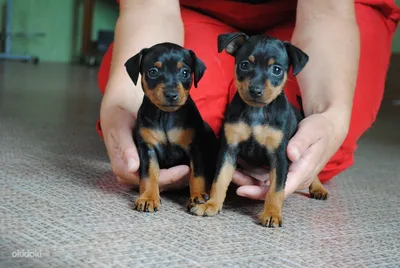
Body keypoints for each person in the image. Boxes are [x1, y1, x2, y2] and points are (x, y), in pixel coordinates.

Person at [96, 0, 400, 200]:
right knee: (201, 126)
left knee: (316, 149)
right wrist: (122, 105)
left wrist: (331, 115)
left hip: (318, 12)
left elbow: (328, 12)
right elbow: (149, 10)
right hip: (194, 9)